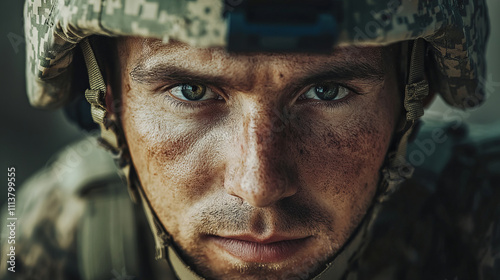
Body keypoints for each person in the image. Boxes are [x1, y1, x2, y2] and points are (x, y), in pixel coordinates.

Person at [2, 0, 498, 279]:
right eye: (191, 91)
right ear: (109, 100)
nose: (258, 184)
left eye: (327, 91)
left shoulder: (481, 216)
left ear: (411, 97)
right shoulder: (53, 235)